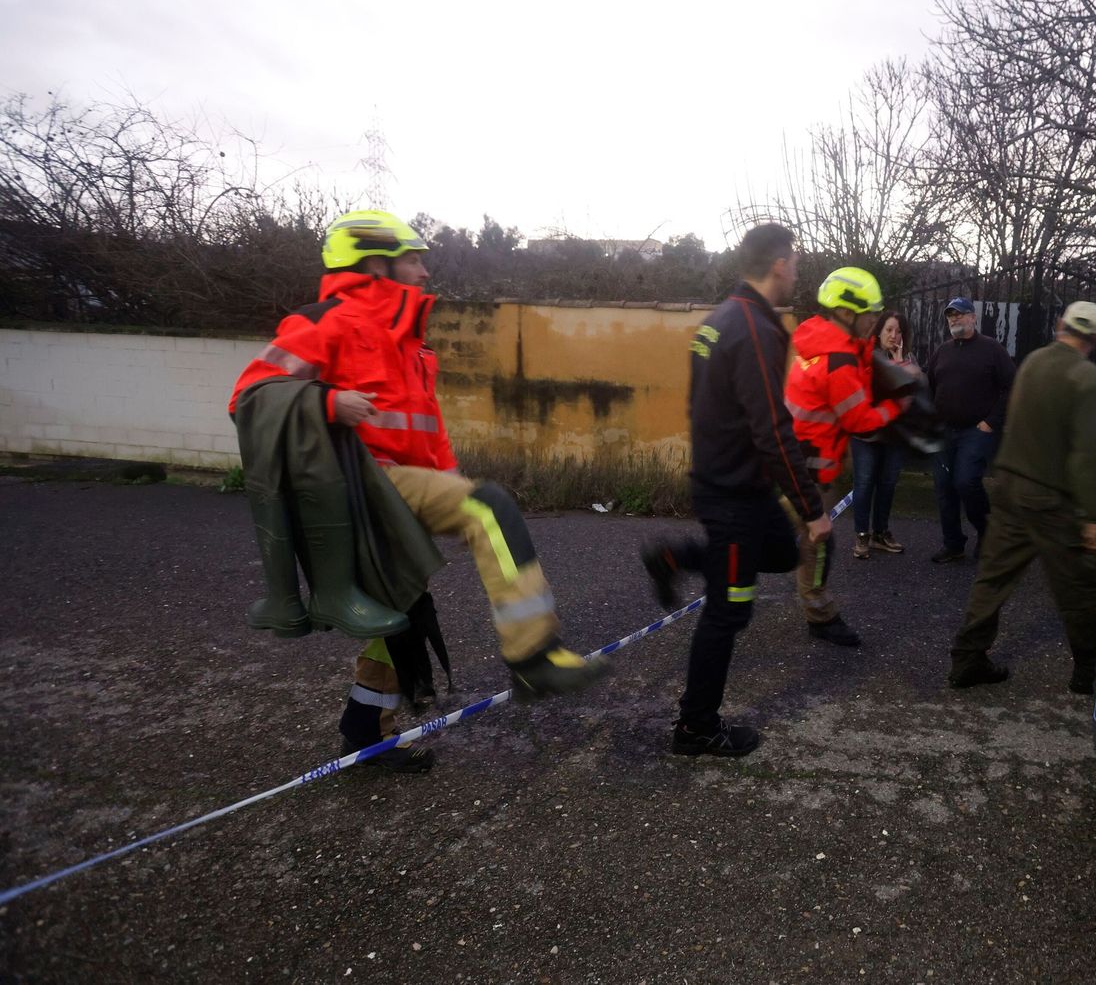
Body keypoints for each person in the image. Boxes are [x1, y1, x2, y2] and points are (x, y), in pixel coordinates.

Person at [230, 209, 608, 773]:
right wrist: (328, 402)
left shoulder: (407, 341)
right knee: (490, 505)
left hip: (402, 486)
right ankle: (532, 653)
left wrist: (450, 485)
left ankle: (364, 736)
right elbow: (250, 396)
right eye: (413, 258)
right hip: (363, 487)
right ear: (374, 263)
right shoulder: (324, 323)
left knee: (397, 612)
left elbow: (426, 438)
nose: (425, 272)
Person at [639, 224, 831, 758]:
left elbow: (705, 405)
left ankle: (674, 558)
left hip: (734, 485)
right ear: (779, 264)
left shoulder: (720, 320)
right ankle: (696, 727)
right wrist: (813, 508)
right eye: (794, 262)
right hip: (733, 496)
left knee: (781, 550)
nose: (796, 271)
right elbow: (772, 427)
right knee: (728, 612)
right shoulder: (754, 328)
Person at [947, 301, 1096, 694]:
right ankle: (1088, 673)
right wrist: (1095, 516)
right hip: (1051, 499)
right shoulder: (1087, 378)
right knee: (1078, 586)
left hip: (1008, 486)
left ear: (1060, 325)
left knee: (992, 578)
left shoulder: (1034, 361)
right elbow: (1085, 457)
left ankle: (967, 660)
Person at [782, 268, 904, 643]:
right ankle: (821, 617)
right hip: (812, 468)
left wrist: (869, 351)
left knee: (786, 540)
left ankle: (819, 612)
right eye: (870, 314)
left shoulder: (819, 340)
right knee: (808, 542)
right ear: (848, 314)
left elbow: (855, 373)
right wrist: (899, 404)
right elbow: (862, 421)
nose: (875, 321)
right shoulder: (838, 359)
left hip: (795, 460)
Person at [925, 297, 1016, 563]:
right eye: (950, 315)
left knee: (965, 482)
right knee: (944, 487)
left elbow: (1012, 386)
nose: (954, 319)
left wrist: (992, 421)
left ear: (973, 318)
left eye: (960, 314)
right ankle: (953, 544)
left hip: (976, 431)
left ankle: (987, 533)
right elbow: (929, 387)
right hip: (944, 431)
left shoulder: (991, 350)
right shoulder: (942, 351)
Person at [850, 310, 917, 559]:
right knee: (864, 485)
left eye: (898, 331)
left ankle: (880, 533)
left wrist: (901, 364)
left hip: (894, 437)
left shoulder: (907, 358)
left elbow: (910, 398)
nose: (894, 335)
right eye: (889, 329)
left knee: (887, 485)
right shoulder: (865, 356)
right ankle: (861, 536)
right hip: (866, 435)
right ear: (878, 332)